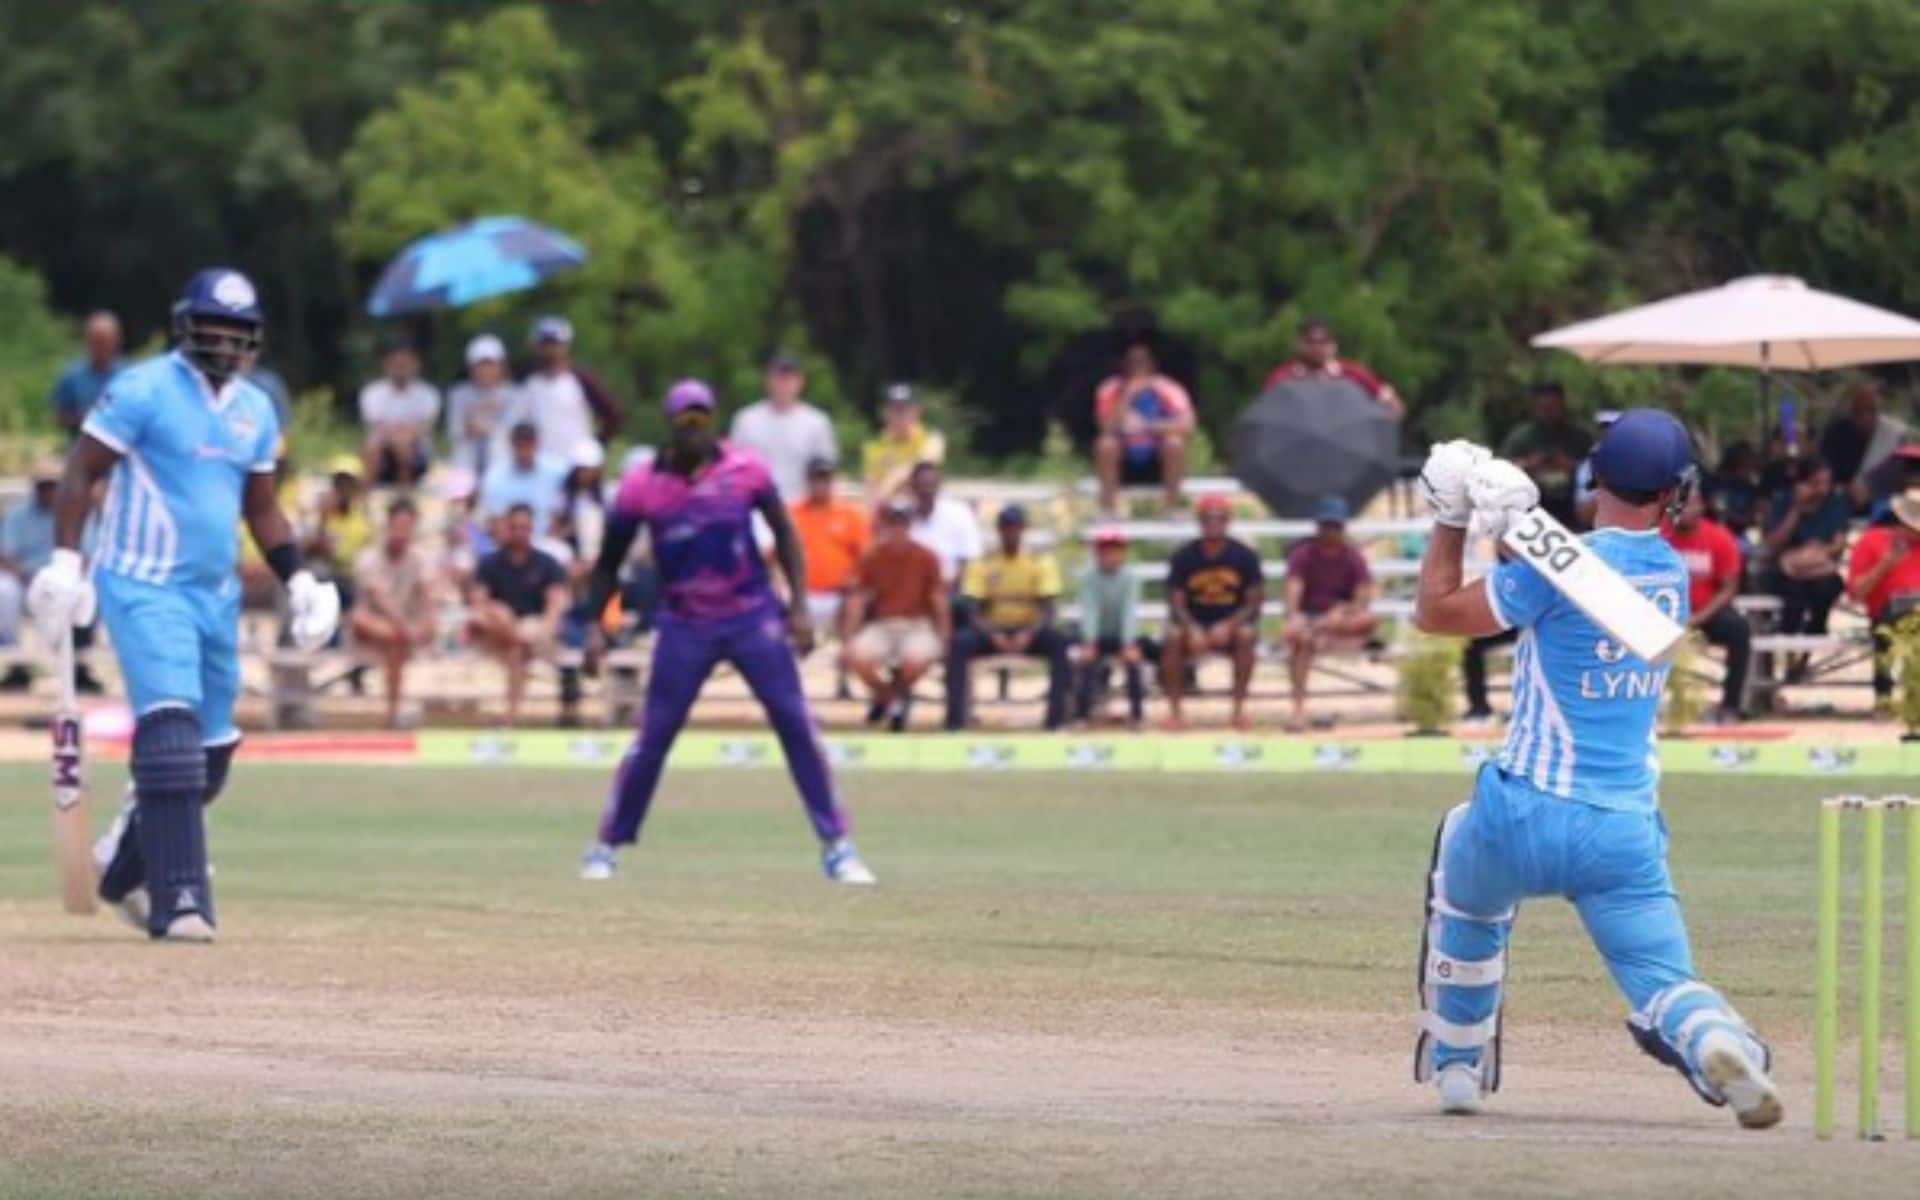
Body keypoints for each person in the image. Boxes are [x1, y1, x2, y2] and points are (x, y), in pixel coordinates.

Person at [1407, 411, 1781, 1128]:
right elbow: (1596, 580)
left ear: (1593, 474)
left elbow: (1435, 611)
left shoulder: (1554, 575)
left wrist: (1452, 517)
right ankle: (1713, 1041)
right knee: (1663, 979)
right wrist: (1520, 527)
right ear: (1673, 494)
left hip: (1519, 815)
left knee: (1464, 878)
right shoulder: (1669, 574)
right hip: (1621, 833)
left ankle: (1457, 1062)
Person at [30, 268, 339, 942]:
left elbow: (261, 506)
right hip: (141, 582)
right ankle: (181, 899)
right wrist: (64, 560)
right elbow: (83, 471)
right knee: (170, 737)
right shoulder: (142, 388)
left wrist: (299, 579)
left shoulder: (257, 410)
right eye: (214, 330)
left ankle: (121, 864)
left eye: (239, 334)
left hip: (214, 595)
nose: (226, 344)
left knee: (211, 756)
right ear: (187, 327)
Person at [577, 380, 874, 886]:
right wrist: (598, 627)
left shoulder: (746, 469)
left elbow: (784, 533)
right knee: (653, 737)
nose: (694, 427)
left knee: (794, 723)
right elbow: (608, 564)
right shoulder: (642, 485)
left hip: (751, 615)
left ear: (713, 418)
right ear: (671, 424)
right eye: (685, 418)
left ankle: (837, 847)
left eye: (702, 416)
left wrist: (798, 607)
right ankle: (606, 846)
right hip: (685, 622)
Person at [945, 505, 1071, 731]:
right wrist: (992, 635)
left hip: (1028, 629)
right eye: (1005, 528)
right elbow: (973, 609)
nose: (1010, 533)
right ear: (999, 531)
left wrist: (1029, 633)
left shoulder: (1039, 562)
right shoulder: (984, 563)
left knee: (1060, 643)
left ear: (1023, 531)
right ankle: (955, 720)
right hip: (993, 629)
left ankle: (1055, 720)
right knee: (959, 643)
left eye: (1015, 528)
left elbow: (1049, 608)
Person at [845, 498, 949, 731]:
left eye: (903, 523)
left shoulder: (926, 557)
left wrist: (944, 635)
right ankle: (891, 698)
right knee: (858, 656)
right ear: (886, 524)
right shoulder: (872, 555)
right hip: (883, 624)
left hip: (916, 624)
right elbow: (859, 597)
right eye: (893, 522)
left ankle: (893, 700)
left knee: (915, 659)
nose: (898, 529)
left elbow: (937, 598)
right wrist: (849, 636)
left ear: (910, 525)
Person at [1160, 495, 1262, 730]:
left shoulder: (1245, 556)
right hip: (1195, 623)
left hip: (1230, 625)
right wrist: (1192, 628)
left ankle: (1238, 710)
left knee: (1246, 636)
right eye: (1208, 519)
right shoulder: (1183, 556)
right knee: (1172, 637)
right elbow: (1176, 603)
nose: (1213, 524)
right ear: (1200, 522)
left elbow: (1253, 604)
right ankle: (1176, 712)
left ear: (1228, 522)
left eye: (1219, 519)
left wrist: (1229, 625)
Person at [1279, 495, 1377, 732]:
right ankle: (1298, 709)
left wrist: (1342, 611)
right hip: (1311, 616)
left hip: (1339, 619)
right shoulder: (1304, 553)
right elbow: (1294, 588)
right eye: (1326, 526)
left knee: (1368, 619)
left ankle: (1319, 633)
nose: (1330, 531)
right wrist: (1294, 615)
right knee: (1299, 636)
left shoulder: (1352, 556)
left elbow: (1363, 597)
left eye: (1335, 526)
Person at [467, 503, 570, 728]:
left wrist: (548, 629)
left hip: (532, 625)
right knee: (501, 619)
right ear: (506, 528)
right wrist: (500, 618)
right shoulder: (489, 563)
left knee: (521, 640)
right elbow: (478, 600)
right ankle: (512, 716)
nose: (519, 532)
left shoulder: (547, 563)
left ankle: (511, 716)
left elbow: (555, 603)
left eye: (524, 527)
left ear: (532, 529)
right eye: (514, 527)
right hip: (497, 629)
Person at [1663, 487, 1750, 723]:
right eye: (1679, 505)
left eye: (1690, 504)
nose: (1684, 511)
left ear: (1701, 507)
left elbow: (1728, 588)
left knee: (1739, 629)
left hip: (1705, 615)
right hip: (1662, 615)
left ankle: (1731, 705)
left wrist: (1697, 618)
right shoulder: (1657, 537)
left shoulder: (1719, 537)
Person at [351, 497, 437, 728]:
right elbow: (381, 600)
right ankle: (393, 713)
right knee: (370, 622)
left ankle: (392, 714)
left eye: (406, 528)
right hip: (369, 629)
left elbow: (429, 594)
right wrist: (408, 630)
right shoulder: (369, 557)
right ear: (388, 525)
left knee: (395, 642)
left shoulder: (420, 558)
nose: (401, 533)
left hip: (399, 633)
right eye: (397, 527)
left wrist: (429, 623)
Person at [1093, 342, 1195, 515]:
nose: (1137, 366)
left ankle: (1171, 508)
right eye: (1132, 362)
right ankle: (1109, 510)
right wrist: (1128, 394)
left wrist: (1149, 427)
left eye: (1141, 361)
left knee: (1174, 443)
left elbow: (1187, 425)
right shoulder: (1110, 388)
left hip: (1156, 456)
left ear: (1151, 364)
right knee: (1105, 445)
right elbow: (1106, 426)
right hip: (1123, 458)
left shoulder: (1168, 389)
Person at [1846, 486, 1920, 713]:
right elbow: (1856, 592)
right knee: (1888, 629)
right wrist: (1885, 564)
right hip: (1886, 611)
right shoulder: (1872, 541)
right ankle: (1885, 696)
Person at [729, 351, 838, 500]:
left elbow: (826, 473)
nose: (783, 384)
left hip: (801, 510)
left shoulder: (817, 423)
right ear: (767, 380)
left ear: (800, 381)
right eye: (778, 377)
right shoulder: (746, 421)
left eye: (789, 378)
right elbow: (734, 472)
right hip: (757, 509)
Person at [1761, 455, 1851, 637]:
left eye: (1826, 483)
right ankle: (1788, 632)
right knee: (1793, 592)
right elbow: (1773, 543)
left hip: (1819, 567)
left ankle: (1816, 628)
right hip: (1787, 569)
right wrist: (1796, 509)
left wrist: (1817, 551)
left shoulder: (1835, 503)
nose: (1822, 489)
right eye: (1816, 483)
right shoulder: (1782, 502)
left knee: (1829, 586)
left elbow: (1839, 542)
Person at [510, 316, 620, 462]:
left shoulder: (580, 378)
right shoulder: (527, 381)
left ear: (565, 346)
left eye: (554, 344)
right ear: (535, 346)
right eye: (545, 344)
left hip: (575, 465)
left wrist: (596, 446)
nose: (549, 350)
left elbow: (612, 413)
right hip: (540, 465)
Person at [787, 457, 869, 648]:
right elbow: (774, 553)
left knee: (857, 600)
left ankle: (847, 656)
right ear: (807, 481)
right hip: (800, 593)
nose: (821, 485)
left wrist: (854, 579)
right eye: (816, 479)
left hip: (839, 593)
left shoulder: (851, 514)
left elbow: (865, 557)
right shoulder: (791, 513)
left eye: (825, 479)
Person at [1072, 526, 1151, 727]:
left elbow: (1129, 612)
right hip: (1096, 634)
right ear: (1097, 553)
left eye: (1114, 550)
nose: (1109, 555)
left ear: (1122, 553)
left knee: (1134, 662)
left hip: (1122, 634)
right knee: (1086, 662)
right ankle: (1081, 715)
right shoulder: (1088, 577)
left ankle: (1137, 715)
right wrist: (1088, 642)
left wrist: (1128, 644)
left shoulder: (1131, 578)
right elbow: (1090, 610)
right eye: (1104, 550)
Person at [0, 456, 64, 688]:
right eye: (43, 485)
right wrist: (26, 577)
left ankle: (80, 668)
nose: (48, 491)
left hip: (63, 581)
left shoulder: (74, 512)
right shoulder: (18, 515)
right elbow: (6, 554)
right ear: (34, 486)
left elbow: (88, 553)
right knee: (3, 590)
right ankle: (16, 664)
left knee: (90, 589)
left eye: (53, 485)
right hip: (25, 580)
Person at [1263, 316, 1404, 418]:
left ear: (1333, 345)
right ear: (1299, 343)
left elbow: (1394, 406)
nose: (1317, 347)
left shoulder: (1354, 374)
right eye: (1311, 341)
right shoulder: (1281, 377)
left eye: (1323, 341)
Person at [1498, 381, 1592, 526]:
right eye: (1544, 408)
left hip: (1570, 502)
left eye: (1554, 407)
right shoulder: (1521, 436)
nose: (1549, 412)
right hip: (1532, 503)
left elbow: (1593, 469)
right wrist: (1530, 464)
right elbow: (1502, 468)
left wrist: (1571, 466)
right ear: (1535, 407)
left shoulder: (1580, 436)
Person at [357, 341, 439, 487]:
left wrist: (403, 437)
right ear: (386, 365)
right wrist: (398, 437)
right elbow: (377, 427)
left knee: (405, 444)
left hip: (415, 450)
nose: (401, 368)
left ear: (416, 365)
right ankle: (367, 494)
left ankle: (406, 493)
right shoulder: (372, 393)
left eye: (405, 364)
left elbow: (425, 428)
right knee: (372, 448)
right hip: (382, 448)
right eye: (396, 364)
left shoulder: (428, 394)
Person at [863, 384, 947, 508]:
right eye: (895, 409)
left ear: (917, 411)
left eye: (905, 409)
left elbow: (922, 470)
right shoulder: (874, 447)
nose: (900, 415)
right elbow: (872, 489)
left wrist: (890, 483)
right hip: (892, 513)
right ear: (885, 412)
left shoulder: (931, 438)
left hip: (924, 508)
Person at [446, 333, 518, 475]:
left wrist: (485, 427)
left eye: (490, 364)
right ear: (471, 368)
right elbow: (455, 430)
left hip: (502, 464)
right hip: (465, 463)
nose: (486, 370)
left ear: (501, 366)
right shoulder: (459, 394)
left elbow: (513, 431)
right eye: (481, 365)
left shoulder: (513, 394)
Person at [48, 311, 124, 438]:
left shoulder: (129, 376)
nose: (100, 348)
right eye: (96, 342)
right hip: (80, 447)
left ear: (116, 341)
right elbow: (57, 417)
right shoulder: (71, 375)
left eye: (104, 342)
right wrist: (84, 418)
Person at [905, 461, 982, 585]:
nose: (927, 491)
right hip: (912, 591)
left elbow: (968, 559)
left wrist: (946, 588)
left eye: (931, 485)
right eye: (922, 485)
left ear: (938, 486)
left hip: (952, 588)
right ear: (912, 487)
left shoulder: (959, 513)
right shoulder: (902, 519)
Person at [480, 421, 567, 530]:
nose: (525, 452)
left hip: (547, 539)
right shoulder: (495, 477)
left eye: (529, 446)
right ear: (512, 445)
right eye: (520, 446)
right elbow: (494, 518)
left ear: (537, 444)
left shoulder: (556, 471)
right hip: (509, 542)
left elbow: (560, 512)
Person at [1818, 382, 1882, 510]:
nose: (1866, 416)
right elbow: (1823, 467)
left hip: (1880, 501)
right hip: (1839, 500)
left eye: (1871, 410)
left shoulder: (1888, 435)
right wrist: (1846, 486)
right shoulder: (1837, 433)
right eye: (1859, 411)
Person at [1703, 441, 1763, 538]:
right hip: (1714, 533)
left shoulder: (1750, 487)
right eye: (1746, 464)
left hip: (1742, 536)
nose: (1750, 468)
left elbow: (1754, 516)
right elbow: (1715, 508)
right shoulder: (1714, 483)